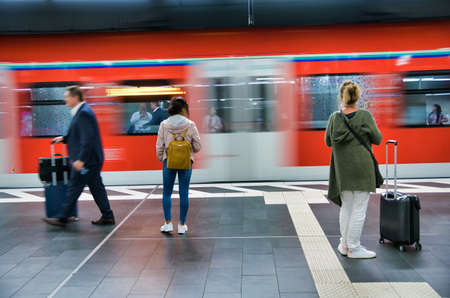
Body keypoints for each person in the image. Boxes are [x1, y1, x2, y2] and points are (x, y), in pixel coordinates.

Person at [325, 80, 382, 259]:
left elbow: (328, 142)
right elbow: (378, 139)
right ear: (357, 97)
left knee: (347, 208)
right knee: (359, 209)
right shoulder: (364, 115)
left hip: (343, 170)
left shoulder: (335, 117)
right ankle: (354, 248)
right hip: (362, 168)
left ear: (341, 97)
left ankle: (344, 245)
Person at [43, 86, 115, 226]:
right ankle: (107, 216)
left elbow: (88, 139)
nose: (65, 99)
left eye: (67, 96)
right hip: (92, 160)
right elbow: (80, 133)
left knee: (74, 187)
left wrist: (81, 160)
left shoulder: (83, 113)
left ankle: (63, 217)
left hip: (87, 161)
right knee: (96, 188)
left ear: (75, 98)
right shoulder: (81, 111)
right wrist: (64, 138)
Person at [156, 97, 201, 234]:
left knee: (167, 193)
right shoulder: (191, 124)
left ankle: (168, 223)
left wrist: (162, 158)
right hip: (186, 162)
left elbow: (159, 146)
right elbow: (198, 146)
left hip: (168, 161)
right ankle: (182, 225)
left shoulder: (164, 124)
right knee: (184, 193)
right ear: (183, 109)